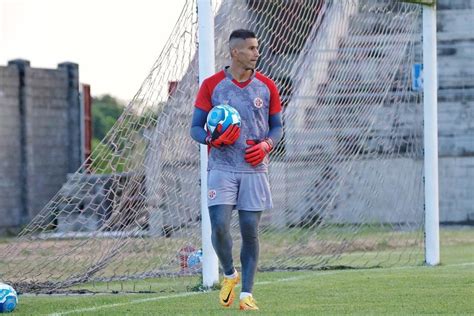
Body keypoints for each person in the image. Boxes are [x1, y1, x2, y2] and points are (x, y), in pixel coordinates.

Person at [190, 29, 283, 311]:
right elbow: (195, 127)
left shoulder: (267, 86)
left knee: (249, 230)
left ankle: (246, 294)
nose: (257, 53)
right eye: (252, 48)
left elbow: (278, 127)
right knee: (218, 226)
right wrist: (210, 138)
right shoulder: (212, 86)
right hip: (221, 166)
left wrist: (266, 145)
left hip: (254, 170)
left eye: (257, 48)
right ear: (235, 52)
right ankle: (229, 274)